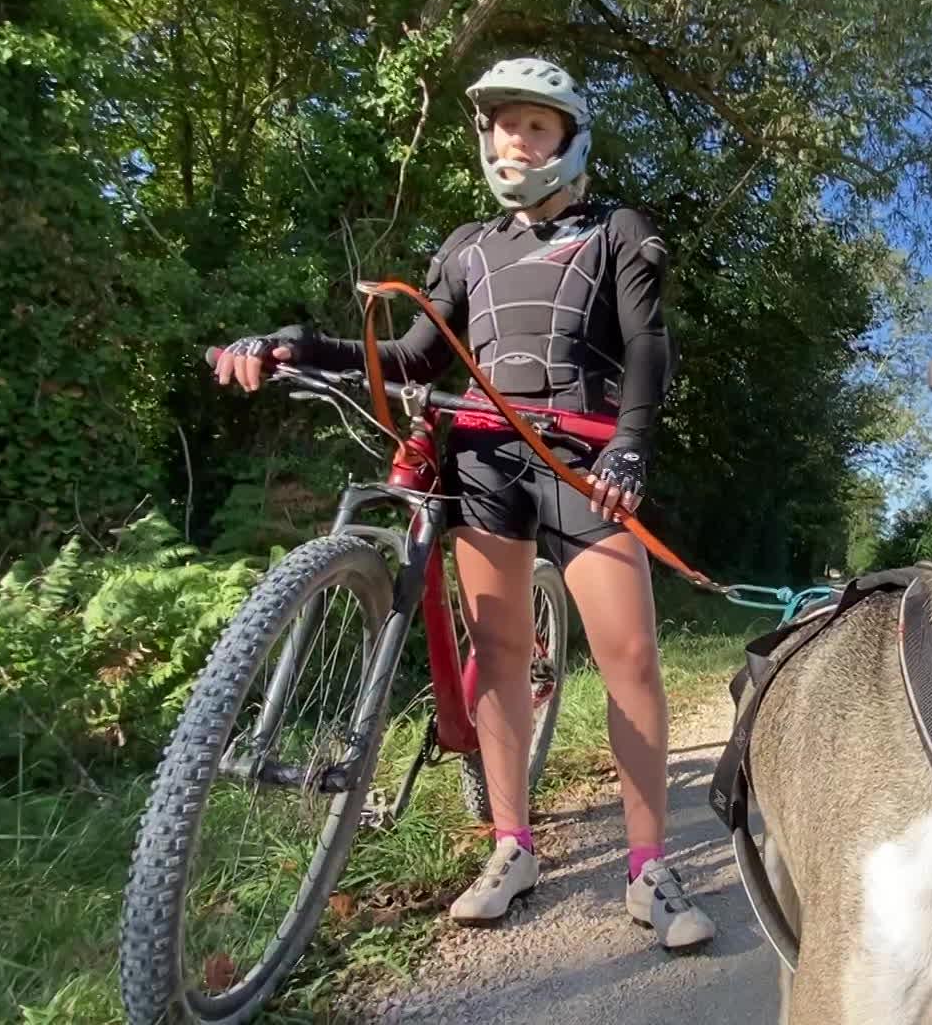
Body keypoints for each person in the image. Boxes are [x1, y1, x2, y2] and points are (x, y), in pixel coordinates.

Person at [213, 56, 715, 950]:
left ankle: (649, 867)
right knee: (498, 651)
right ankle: (512, 847)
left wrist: (633, 442)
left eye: (535, 126)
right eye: (503, 125)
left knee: (630, 655)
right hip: (483, 463)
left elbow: (647, 347)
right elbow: (410, 358)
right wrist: (301, 345)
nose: (514, 140)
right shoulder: (466, 247)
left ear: (568, 138)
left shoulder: (617, 230)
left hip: (584, 463)